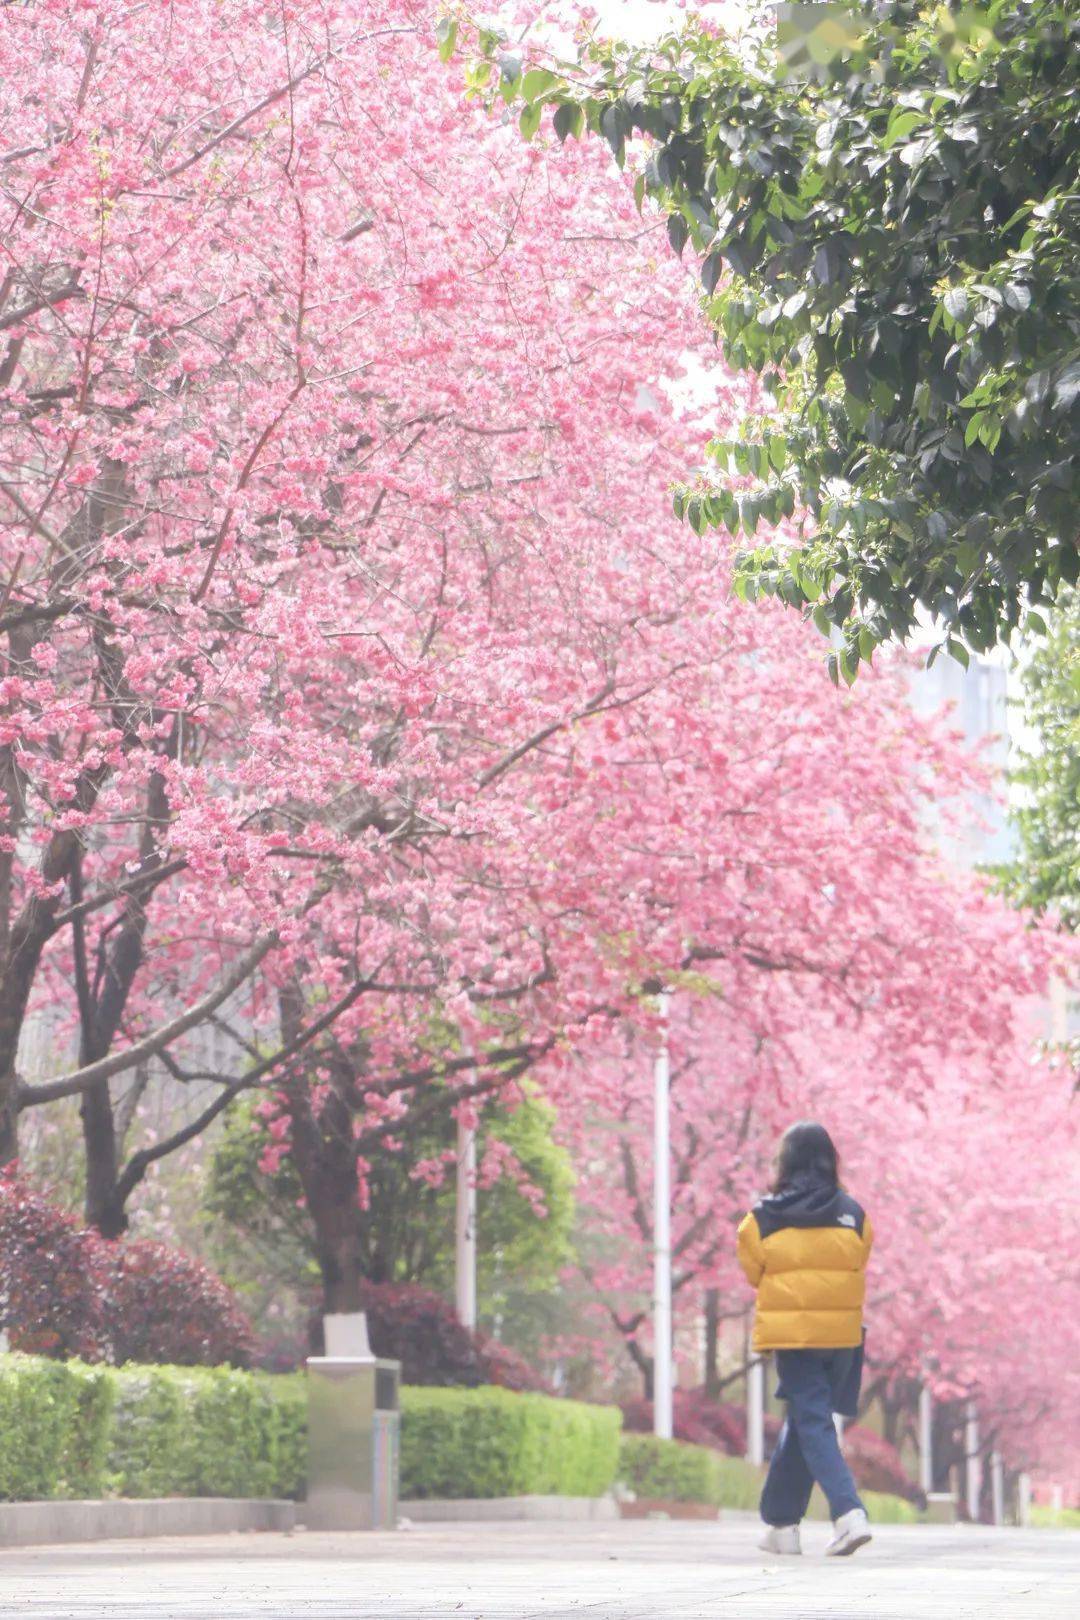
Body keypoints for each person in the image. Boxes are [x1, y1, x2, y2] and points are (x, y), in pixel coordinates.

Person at [736, 1121, 873, 1558]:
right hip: (842, 1340)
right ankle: (781, 1524)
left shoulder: (760, 1219)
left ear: (785, 1162)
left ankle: (849, 1513)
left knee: (811, 1421)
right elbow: (858, 1264)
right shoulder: (855, 1215)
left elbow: (755, 1272)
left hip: (795, 1337)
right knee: (804, 1418)